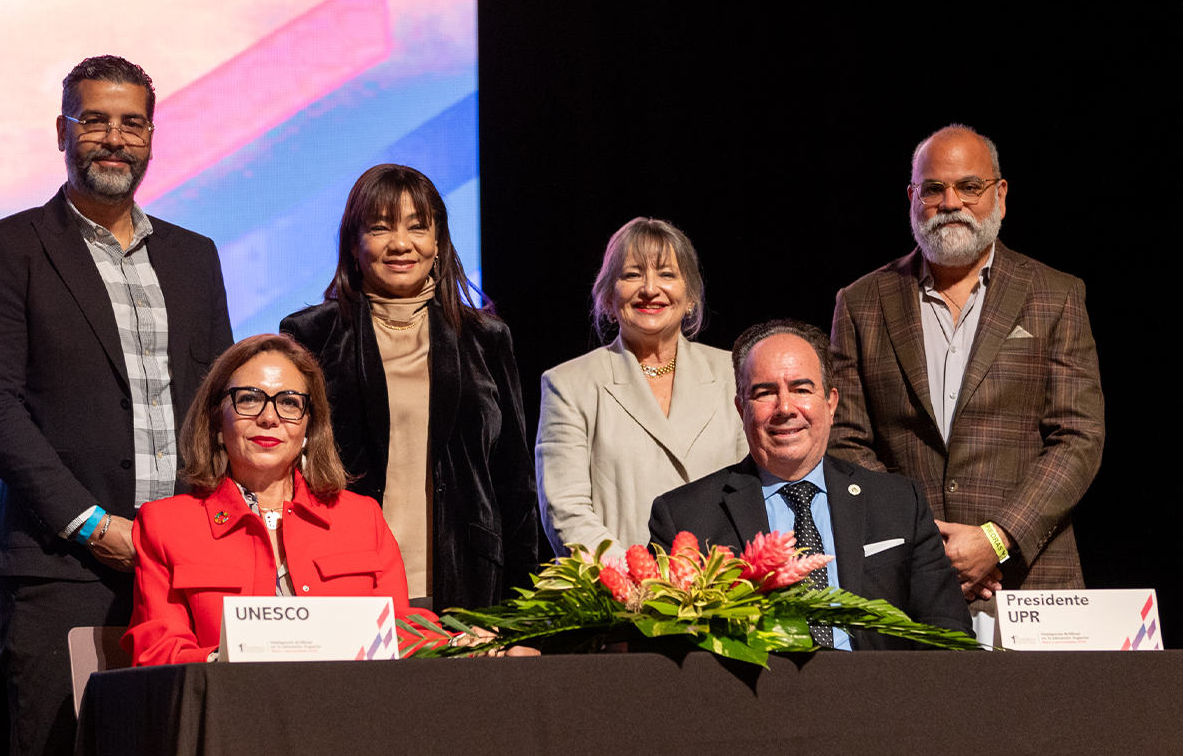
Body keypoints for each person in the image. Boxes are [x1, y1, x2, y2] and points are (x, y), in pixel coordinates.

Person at [0, 56, 232, 754]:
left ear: (150, 135)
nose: (113, 138)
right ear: (62, 131)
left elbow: (217, 403)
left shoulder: (195, 256)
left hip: (188, 561)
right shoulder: (5, 249)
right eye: (94, 120)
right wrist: (92, 524)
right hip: (62, 564)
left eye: (131, 123)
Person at [829, 124, 1105, 639]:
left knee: (1043, 721)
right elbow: (846, 437)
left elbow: (1079, 437)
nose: (950, 202)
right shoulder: (862, 302)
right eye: (933, 189)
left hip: (1031, 582)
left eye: (969, 187)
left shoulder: (1056, 295)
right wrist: (922, 542)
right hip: (904, 581)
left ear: (999, 194)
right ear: (913, 198)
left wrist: (998, 538)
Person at [281, 164, 537, 612]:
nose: (400, 243)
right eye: (380, 228)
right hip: (344, 578)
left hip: (467, 583)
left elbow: (515, 482)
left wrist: (521, 612)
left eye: (417, 227)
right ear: (355, 244)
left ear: (438, 242)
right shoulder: (311, 336)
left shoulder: (487, 338)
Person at [648, 320, 971, 650]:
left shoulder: (900, 503)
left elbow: (948, 630)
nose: (785, 408)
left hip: (878, 696)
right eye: (764, 393)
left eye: (801, 389)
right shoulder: (684, 519)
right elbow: (664, 656)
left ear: (831, 404)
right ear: (740, 407)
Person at [123, 335, 444, 665]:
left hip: (352, 707)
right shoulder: (166, 525)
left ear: (309, 425)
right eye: (249, 399)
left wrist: (466, 643)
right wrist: (231, 658)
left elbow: (404, 631)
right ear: (218, 418)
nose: (269, 417)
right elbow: (157, 653)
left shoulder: (362, 518)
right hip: (232, 708)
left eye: (289, 402)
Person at [537, 218, 747, 559]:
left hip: (721, 591)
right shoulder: (569, 384)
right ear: (608, 296)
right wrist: (639, 580)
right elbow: (566, 511)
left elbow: (752, 493)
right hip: (621, 597)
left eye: (666, 274)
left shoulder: (733, 374)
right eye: (632, 274)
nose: (650, 288)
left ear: (691, 295)